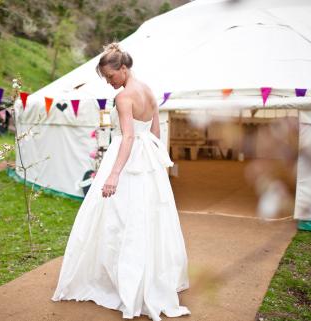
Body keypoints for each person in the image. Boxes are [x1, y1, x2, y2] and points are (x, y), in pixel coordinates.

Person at [52, 43, 190, 321]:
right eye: (105, 78)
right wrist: (158, 163)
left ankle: (126, 279)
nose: (109, 82)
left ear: (123, 68)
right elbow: (154, 131)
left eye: (110, 76)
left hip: (126, 158)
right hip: (147, 159)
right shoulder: (149, 91)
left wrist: (113, 174)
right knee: (145, 218)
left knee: (120, 218)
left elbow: (128, 136)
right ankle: (144, 277)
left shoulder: (124, 97)